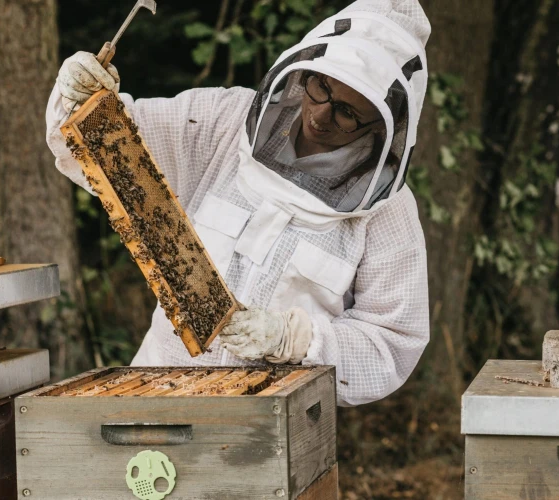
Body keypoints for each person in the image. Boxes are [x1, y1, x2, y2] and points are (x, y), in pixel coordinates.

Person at [46, 0, 431, 407]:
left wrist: (294, 339)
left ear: (384, 123)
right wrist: (80, 99)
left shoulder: (389, 213)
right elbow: (105, 150)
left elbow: (392, 343)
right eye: (321, 88)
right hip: (153, 392)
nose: (320, 115)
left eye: (348, 113)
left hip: (272, 424)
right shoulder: (220, 122)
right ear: (304, 70)